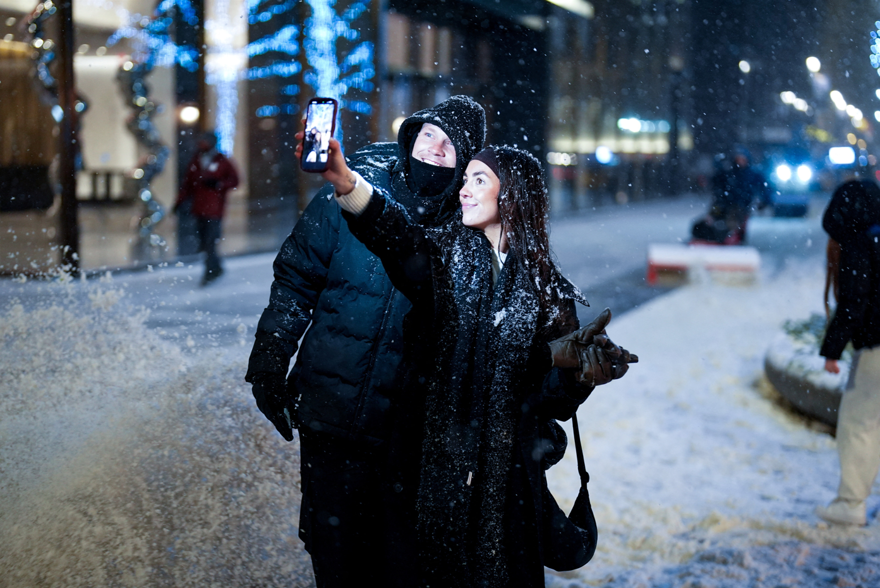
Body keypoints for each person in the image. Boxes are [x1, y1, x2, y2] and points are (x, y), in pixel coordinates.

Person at [314, 137, 637, 586]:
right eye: (465, 179)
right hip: (427, 476)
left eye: (478, 180)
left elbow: (547, 402)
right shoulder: (443, 257)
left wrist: (583, 375)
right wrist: (349, 183)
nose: (464, 189)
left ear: (513, 195)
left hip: (507, 493)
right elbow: (396, 240)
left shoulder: (548, 290)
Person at [245, 96, 487, 587]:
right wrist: (269, 360)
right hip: (330, 414)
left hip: (405, 432)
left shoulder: (467, 225)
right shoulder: (348, 192)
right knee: (333, 551)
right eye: (428, 138)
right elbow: (296, 279)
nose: (435, 153)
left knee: (394, 562)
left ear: (465, 162)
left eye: (450, 148)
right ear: (411, 136)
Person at [817, 178, 880, 526]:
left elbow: (854, 301)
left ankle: (850, 503)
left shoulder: (860, 241)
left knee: (859, 423)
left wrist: (832, 350)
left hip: (876, 348)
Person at [174, 131, 239, 286]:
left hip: (215, 209)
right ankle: (216, 267)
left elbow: (235, 180)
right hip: (199, 208)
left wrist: (219, 184)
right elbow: (187, 184)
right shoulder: (196, 161)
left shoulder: (222, 160)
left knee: (210, 241)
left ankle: (210, 271)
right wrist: (179, 202)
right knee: (204, 241)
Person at [692, 148, 771, 244]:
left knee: (732, 225)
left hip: (740, 207)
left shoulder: (752, 175)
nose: (740, 162)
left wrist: (766, 201)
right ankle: (706, 237)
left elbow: (765, 188)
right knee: (710, 219)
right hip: (721, 204)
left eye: (743, 159)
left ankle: (729, 240)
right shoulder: (727, 173)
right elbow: (714, 181)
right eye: (738, 159)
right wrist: (705, 181)